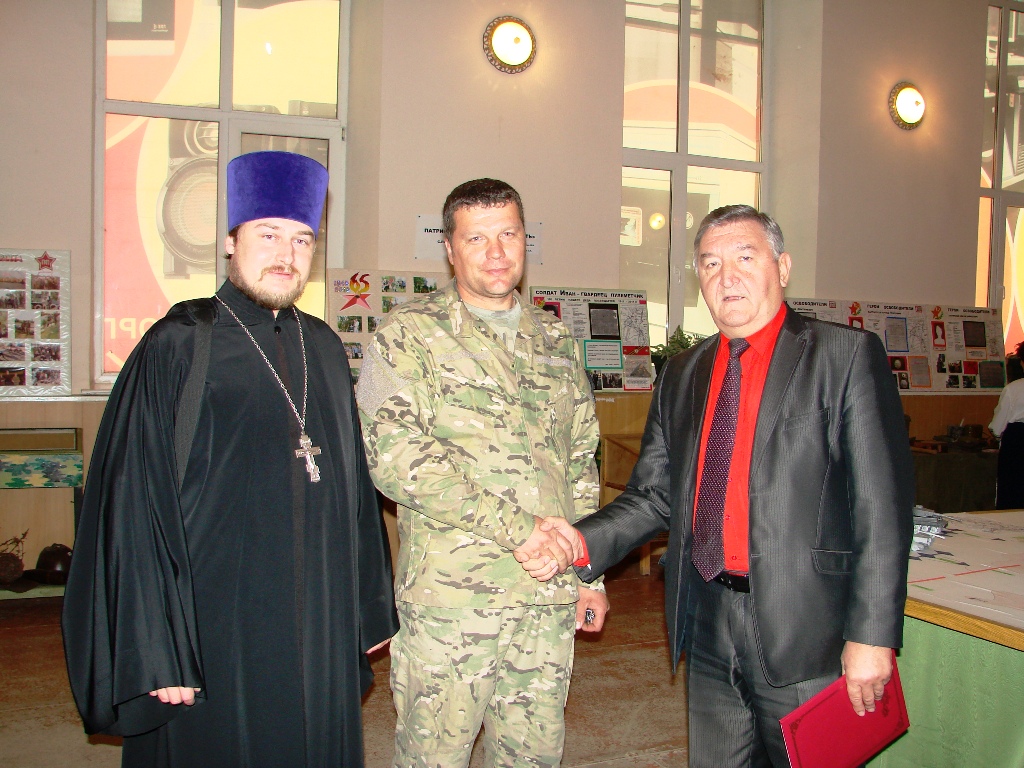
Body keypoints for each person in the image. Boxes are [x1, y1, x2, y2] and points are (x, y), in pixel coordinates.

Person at [535, 205, 914, 767]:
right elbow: (655, 495)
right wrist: (579, 544)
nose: (726, 276)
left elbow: (882, 508)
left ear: (782, 267)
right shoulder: (683, 373)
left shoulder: (843, 356)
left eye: (745, 257)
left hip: (808, 627)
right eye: (710, 264)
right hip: (708, 617)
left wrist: (873, 636)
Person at [62, 151, 398, 767]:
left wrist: (365, 609)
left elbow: (353, 490)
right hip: (211, 627)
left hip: (317, 620)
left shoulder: (324, 347)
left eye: (301, 239)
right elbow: (131, 505)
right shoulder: (178, 344)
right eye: (268, 235)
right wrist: (155, 648)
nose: (286, 254)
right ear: (230, 241)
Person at [356, 178, 608, 768]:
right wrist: (520, 529)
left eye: (509, 235)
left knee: (532, 756)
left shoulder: (553, 339)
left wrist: (589, 573)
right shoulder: (405, 336)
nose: (496, 253)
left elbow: (580, 459)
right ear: (450, 248)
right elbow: (396, 459)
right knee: (434, 757)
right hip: (453, 603)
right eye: (476, 239)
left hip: (546, 597)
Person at [991, 341, 1024, 509]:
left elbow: (997, 427)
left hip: (1018, 443)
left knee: (1013, 493)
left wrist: (996, 436)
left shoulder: (1014, 389)